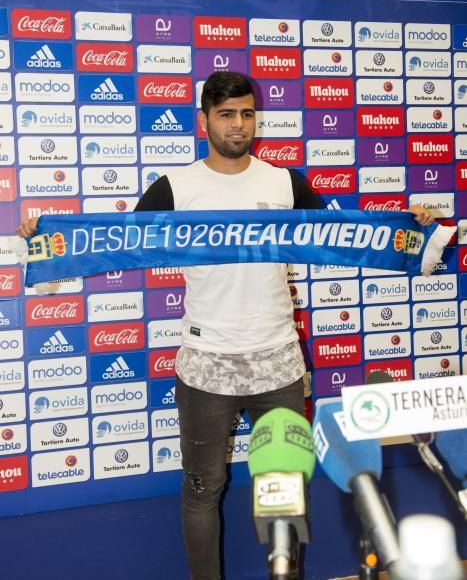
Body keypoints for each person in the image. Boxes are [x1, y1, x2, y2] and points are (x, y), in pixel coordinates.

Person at [16, 71, 434, 580]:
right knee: (202, 489)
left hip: (277, 361)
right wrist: (48, 240)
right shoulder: (176, 187)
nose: (239, 125)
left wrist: (415, 235)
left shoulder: (284, 182)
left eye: (247, 113)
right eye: (227, 114)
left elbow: (347, 236)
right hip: (205, 365)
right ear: (203, 121)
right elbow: (109, 240)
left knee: (283, 487)